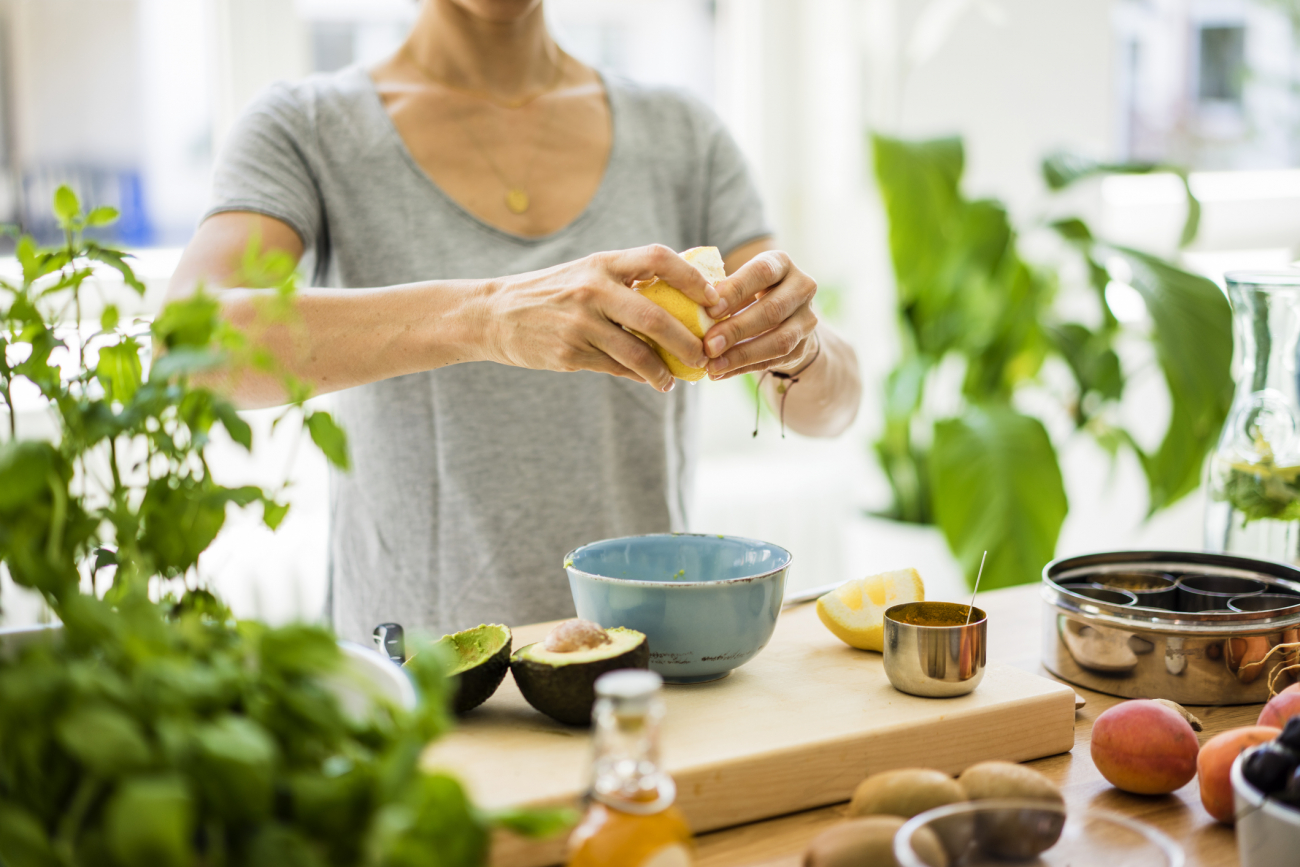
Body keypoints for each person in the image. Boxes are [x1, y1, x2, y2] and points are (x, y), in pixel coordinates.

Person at [166, 0, 862, 643]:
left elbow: (828, 407)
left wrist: (800, 348)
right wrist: (489, 316)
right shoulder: (306, 127)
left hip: (641, 671)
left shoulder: (683, 133)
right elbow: (191, 344)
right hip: (423, 687)